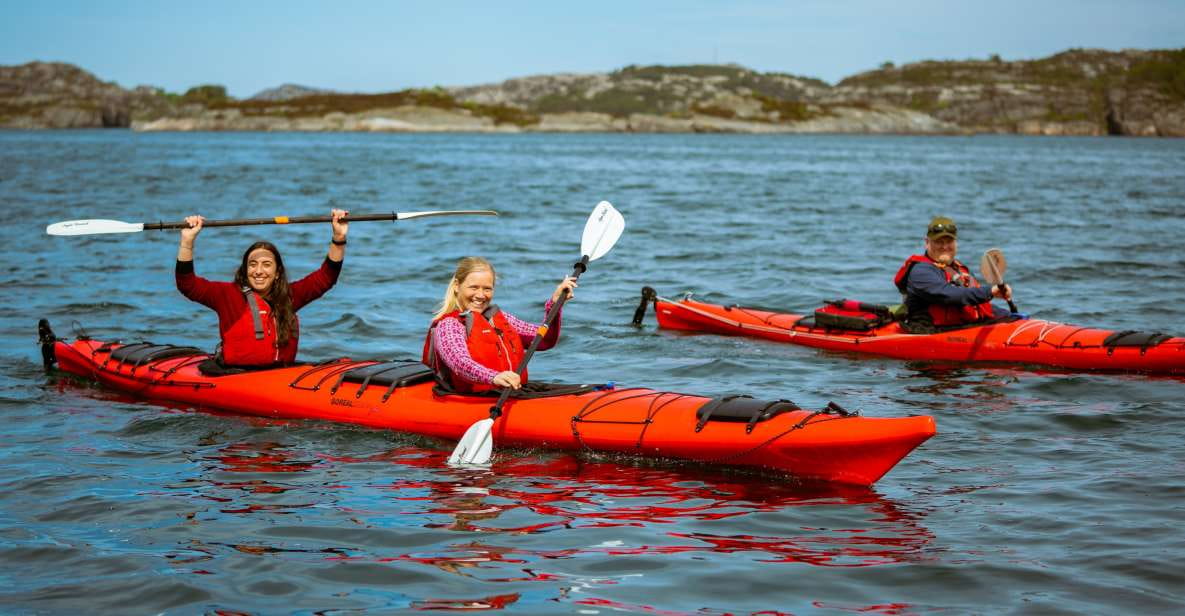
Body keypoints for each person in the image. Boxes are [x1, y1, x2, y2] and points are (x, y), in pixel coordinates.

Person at [176, 209, 349, 366]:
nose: (258, 271)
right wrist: (187, 241)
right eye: (253, 264)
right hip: (236, 376)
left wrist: (339, 238)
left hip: (280, 375)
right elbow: (188, 285)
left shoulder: (291, 296)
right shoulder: (227, 295)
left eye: (266, 265)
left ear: (277, 273)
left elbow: (326, 278)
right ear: (245, 270)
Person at [423, 256, 577, 393]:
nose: (481, 295)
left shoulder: (499, 319)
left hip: (509, 393)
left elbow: (544, 339)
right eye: (474, 287)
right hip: (471, 398)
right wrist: (494, 377)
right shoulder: (449, 325)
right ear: (457, 286)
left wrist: (555, 306)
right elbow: (459, 362)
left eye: (487, 289)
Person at [893, 216, 1012, 333]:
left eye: (949, 241)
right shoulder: (920, 272)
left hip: (960, 328)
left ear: (956, 243)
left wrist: (1012, 317)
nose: (944, 247)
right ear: (927, 243)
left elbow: (978, 305)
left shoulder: (960, 269)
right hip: (929, 331)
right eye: (938, 242)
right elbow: (949, 294)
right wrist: (989, 292)